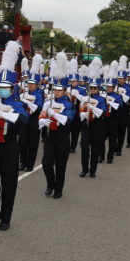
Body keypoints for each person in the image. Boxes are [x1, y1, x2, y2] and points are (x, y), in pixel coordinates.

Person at [0, 42, 27, 230]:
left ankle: (6, 218)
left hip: (9, 147)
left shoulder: (17, 103)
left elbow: (24, 120)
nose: (1, 89)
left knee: (9, 186)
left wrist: (7, 114)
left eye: (5, 87)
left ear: (12, 88)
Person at [40, 54, 75, 199]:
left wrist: (54, 114)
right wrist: (42, 121)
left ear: (64, 91)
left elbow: (69, 119)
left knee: (61, 166)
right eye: (55, 90)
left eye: (59, 90)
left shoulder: (69, 104)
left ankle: (59, 189)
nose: (56, 92)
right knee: (46, 163)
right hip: (50, 136)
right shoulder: (48, 102)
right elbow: (41, 116)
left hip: (62, 137)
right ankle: (50, 183)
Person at [19, 55, 44, 172]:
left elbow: (39, 108)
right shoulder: (24, 92)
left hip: (34, 120)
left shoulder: (40, 93)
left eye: (32, 84)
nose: (30, 85)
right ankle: (23, 161)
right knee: (22, 142)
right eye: (29, 83)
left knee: (33, 144)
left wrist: (28, 102)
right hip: (24, 120)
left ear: (37, 84)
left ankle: (30, 164)